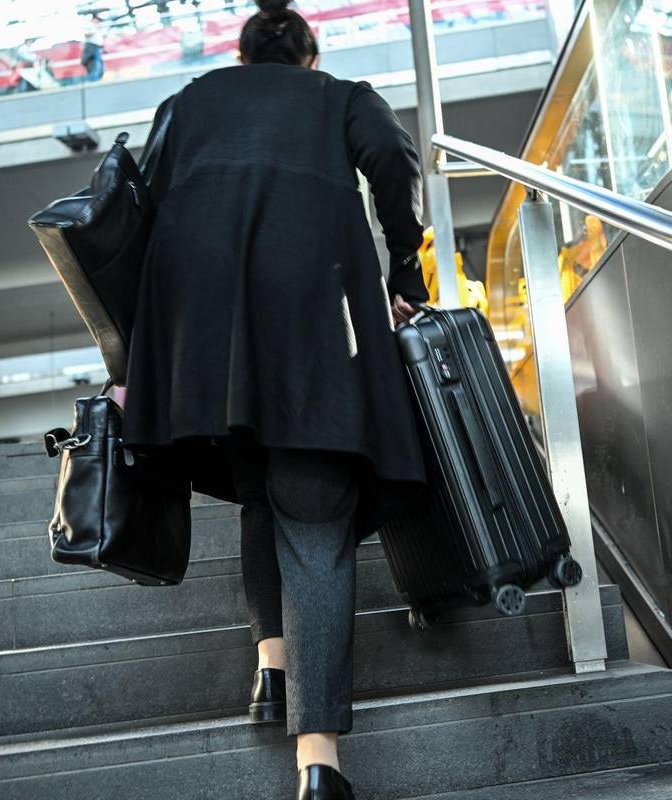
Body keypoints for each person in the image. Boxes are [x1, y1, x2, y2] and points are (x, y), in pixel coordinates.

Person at [119, 0, 429, 797]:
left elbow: (132, 206)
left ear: (243, 55)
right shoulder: (339, 97)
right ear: (309, 57)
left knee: (260, 483)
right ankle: (318, 762)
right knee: (314, 511)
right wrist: (404, 269)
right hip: (307, 320)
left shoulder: (189, 102)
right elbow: (393, 158)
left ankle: (271, 670)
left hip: (201, 337)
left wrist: (135, 351)